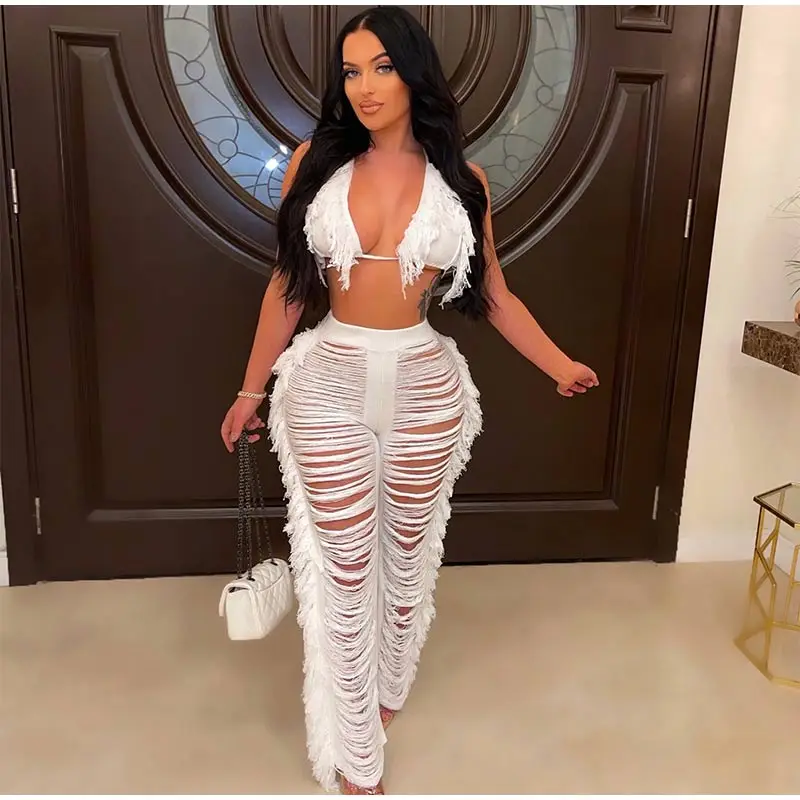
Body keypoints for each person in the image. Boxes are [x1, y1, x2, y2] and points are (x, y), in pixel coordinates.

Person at [220, 6, 598, 794]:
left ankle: (388, 685)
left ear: (414, 73)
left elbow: (495, 295)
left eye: (382, 67)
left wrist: (559, 363)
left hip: (426, 387)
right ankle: (357, 754)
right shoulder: (315, 165)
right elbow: (288, 287)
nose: (364, 87)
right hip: (328, 383)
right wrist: (252, 389)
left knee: (406, 558)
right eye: (351, 71)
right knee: (343, 569)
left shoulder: (465, 182)